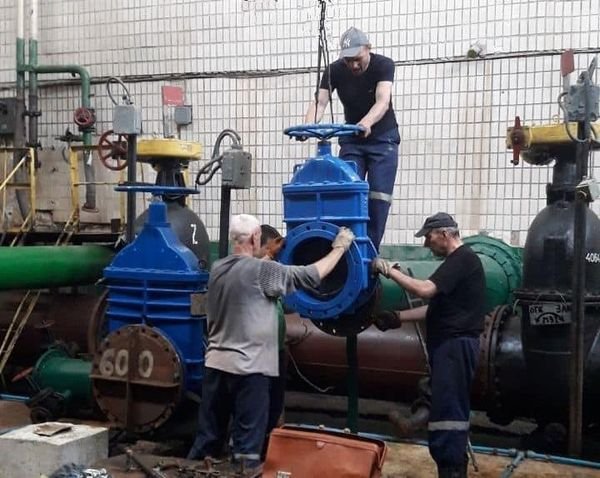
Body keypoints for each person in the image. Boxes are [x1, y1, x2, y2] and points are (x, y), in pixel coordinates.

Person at [187, 214, 355, 476]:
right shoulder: (263, 272)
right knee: (246, 451)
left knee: (207, 443)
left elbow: (248, 278)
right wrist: (340, 248)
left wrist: (268, 258)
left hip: (216, 366)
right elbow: (311, 275)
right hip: (249, 370)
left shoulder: (218, 268)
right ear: (256, 237)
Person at [371, 212, 485, 478]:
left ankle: (452, 469)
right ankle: (450, 465)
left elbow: (425, 290)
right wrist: (397, 318)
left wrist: (388, 271)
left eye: (428, 237)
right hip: (450, 347)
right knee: (445, 408)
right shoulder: (457, 262)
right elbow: (434, 309)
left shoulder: (462, 259)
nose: (426, 244)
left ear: (444, 234)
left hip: (454, 347)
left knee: (449, 413)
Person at [304, 27, 400, 250]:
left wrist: (366, 122)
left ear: (368, 49)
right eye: (348, 61)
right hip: (352, 140)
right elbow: (320, 102)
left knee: (378, 198)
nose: (354, 65)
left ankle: (370, 252)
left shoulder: (384, 65)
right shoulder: (334, 70)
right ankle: (344, 250)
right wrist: (308, 126)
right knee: (347, 192)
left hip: (382, 141)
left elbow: (383, 101)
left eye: (358, 59)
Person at [257, 224, 288, 453]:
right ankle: (252, 453)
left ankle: (265, 449)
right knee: (258, 405)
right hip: (259, 353)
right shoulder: (252, 270)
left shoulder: (271, 270)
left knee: (274, 404)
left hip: (277, 350)